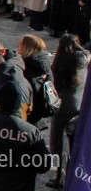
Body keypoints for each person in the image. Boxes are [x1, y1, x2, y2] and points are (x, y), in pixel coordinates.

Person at [48, 34, 89, 188]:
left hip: (63, 104)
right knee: (74, 143)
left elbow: (55, 86)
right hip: (79, 104)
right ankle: (74, 174)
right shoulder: (84, 61)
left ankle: (60, 176)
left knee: (59, 143)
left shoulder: (60, 63)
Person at [18, 35, 53, 129]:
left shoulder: (28, 67)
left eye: (21, 44)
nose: (18, 45)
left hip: (30, 115)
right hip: (41, 114)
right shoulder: (44, 63)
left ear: (27, 47)